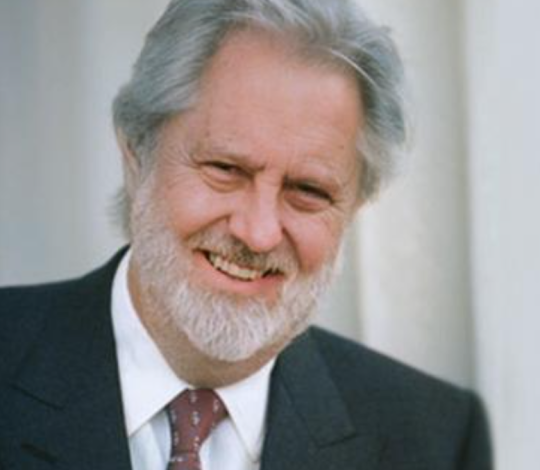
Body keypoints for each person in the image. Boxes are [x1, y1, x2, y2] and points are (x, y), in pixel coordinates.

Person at [0, 0, 492, 469]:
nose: (258, 234)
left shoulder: (435, 440)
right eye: (225, 168)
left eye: (308, 190)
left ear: (355, 207)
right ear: (135, 154)